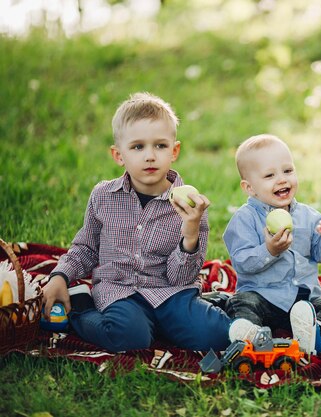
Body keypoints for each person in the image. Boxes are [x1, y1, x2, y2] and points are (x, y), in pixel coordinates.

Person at [42, 92, 231, 353]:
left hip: (170, 292)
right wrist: (60, 276)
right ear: (119, 155)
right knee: (130, 337)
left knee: (217, 335)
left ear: (174, 151)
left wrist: (190, 233)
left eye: (160, 146)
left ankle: (173, 321)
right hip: (120, 291)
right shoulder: (103, 196)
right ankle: (81, 308)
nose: (150, 156)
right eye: (138, 147)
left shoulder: (190, 206)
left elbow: (182, 276)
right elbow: (86, 247)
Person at [223, 134, 321, 355]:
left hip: (305, 299)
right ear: (250, 188)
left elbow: (319, 254)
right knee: (241, 303)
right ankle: (251, 336)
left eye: (288, 171)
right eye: (270, 175)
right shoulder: (245, 219)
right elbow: (242, 262)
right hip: (263, 296)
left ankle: (316, 337)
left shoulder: (309, 216)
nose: (282, 179)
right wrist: (270, 251)